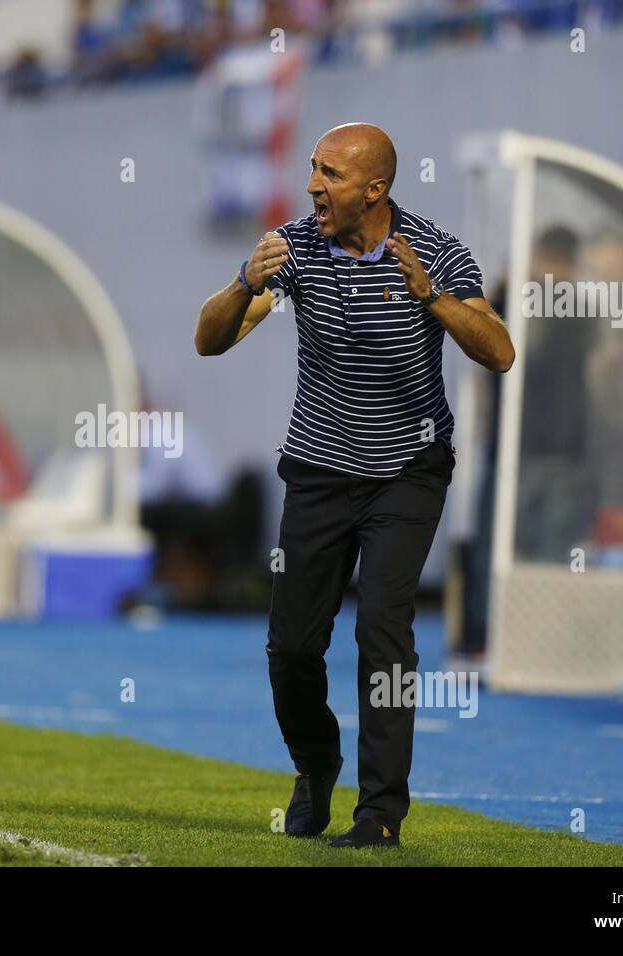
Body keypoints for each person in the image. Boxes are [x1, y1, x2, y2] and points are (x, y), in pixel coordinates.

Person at [195, 123, 513, 848]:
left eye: (330, 174)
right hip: (317, 468)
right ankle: (316, 765)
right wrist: (244, 281)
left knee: (384, 632)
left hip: (409, 469)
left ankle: (380, 814)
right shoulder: (294, 248)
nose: (312, 185)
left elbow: (499, 350)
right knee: (293, 651)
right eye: (312, 168)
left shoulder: (435, 251)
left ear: (374, 190)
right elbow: (209, 340)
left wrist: (432, 298)